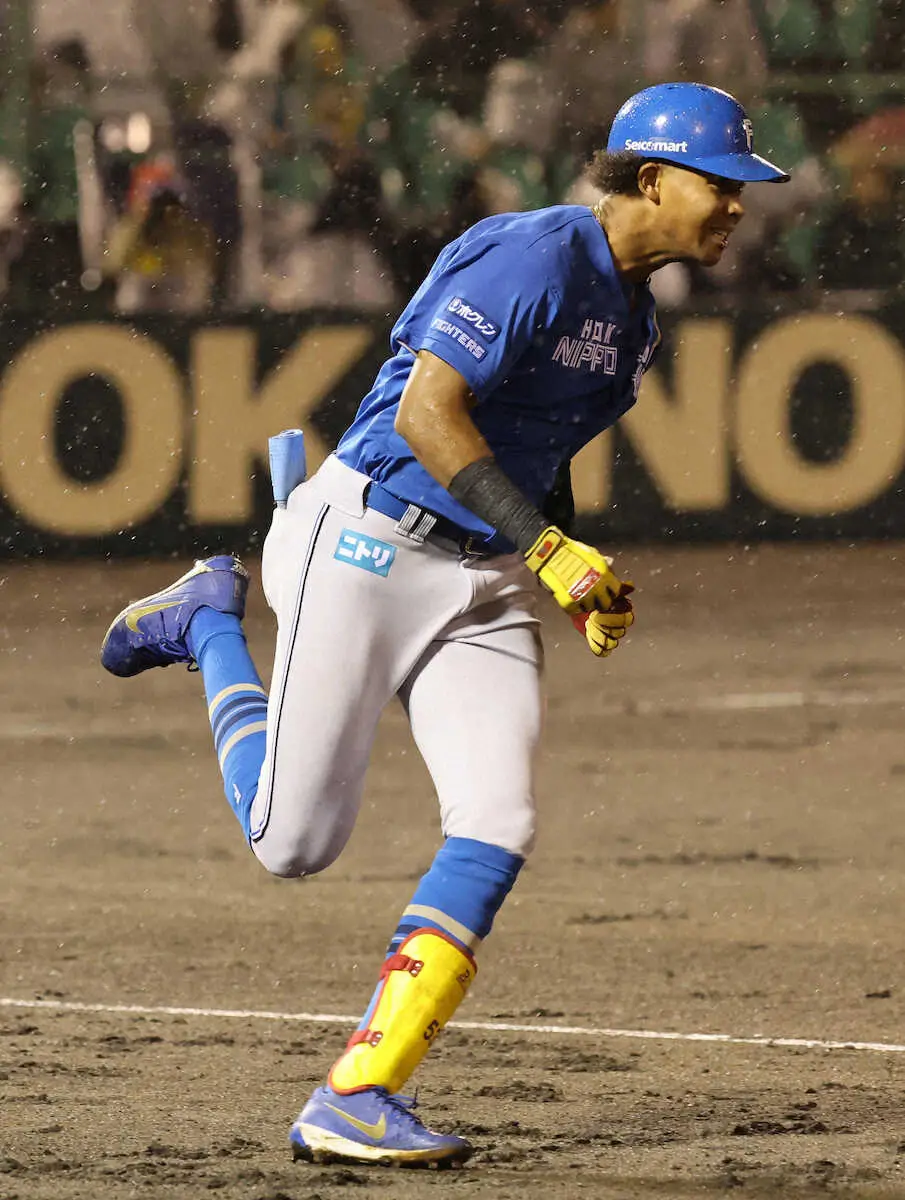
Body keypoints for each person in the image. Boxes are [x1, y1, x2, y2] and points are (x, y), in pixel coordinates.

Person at [99, 83, 789, 1168]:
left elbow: (535, 460)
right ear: (652, 179)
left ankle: (356, 1092)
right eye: (722, 183)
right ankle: (207, 623)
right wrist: (548, 549)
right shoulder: (531, 256)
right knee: (292, 846)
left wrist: (566, 567)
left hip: (483, 577)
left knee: (499, 818)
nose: (738, 205)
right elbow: (428, 415)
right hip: (367, 543)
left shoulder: (636, 318)